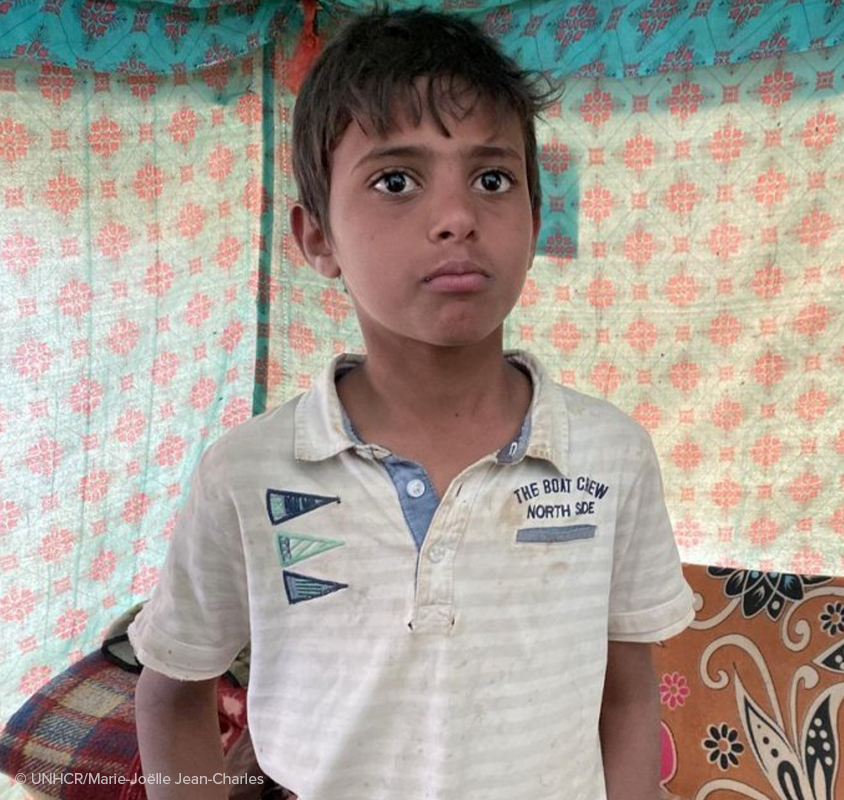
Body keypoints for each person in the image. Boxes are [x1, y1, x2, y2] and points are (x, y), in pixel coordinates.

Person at [129, 8, 694, 800]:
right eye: (396, 181)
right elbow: (171, 692)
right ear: (316, 237)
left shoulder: (610, 455)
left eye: (492, 179)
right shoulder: (245, 474)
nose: (457, 217)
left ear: (535, 217)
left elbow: (628, 694)